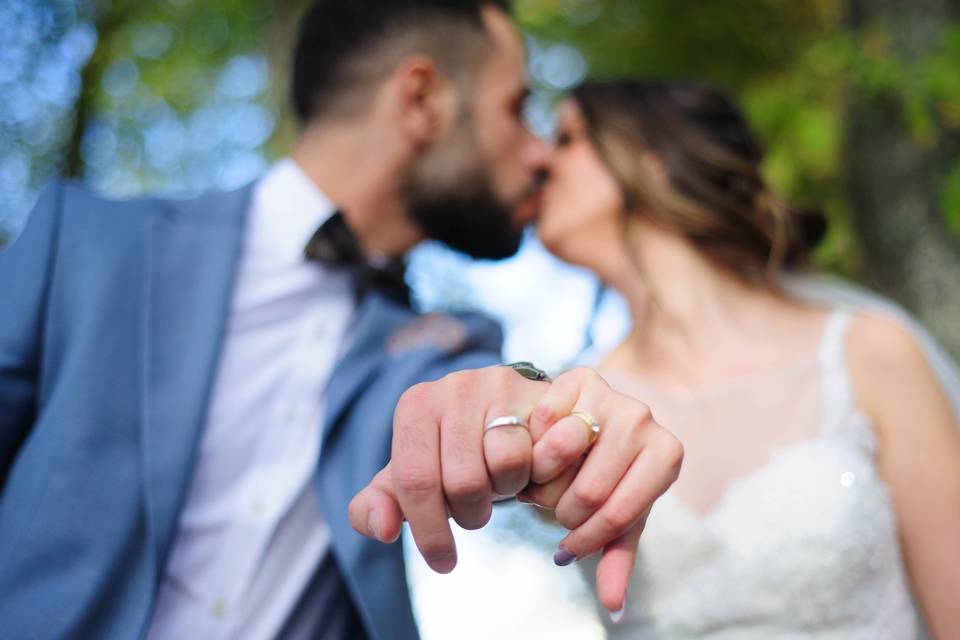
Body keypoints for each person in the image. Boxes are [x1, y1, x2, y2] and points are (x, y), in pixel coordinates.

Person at [0, 5, 685, 640]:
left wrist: (561, 417)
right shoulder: (82, 245)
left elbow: (484, 413)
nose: (540, 156)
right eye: (516, 108)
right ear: (421, 101)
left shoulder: (454, 341)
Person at [526, 79, 960, 637]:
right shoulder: (578, 405)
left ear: (653, 158)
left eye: (565, 138)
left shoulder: (866, 354)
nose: (538, 159)